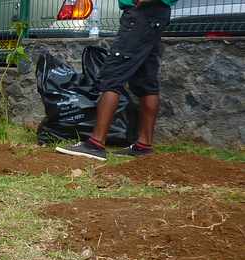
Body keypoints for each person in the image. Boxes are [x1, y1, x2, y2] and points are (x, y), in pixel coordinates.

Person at [57, 0, 176, 161]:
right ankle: (143, 145)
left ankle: (96, 143)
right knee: (146, 80)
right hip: (157, 15)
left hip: (141, 14)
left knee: (112, 78)